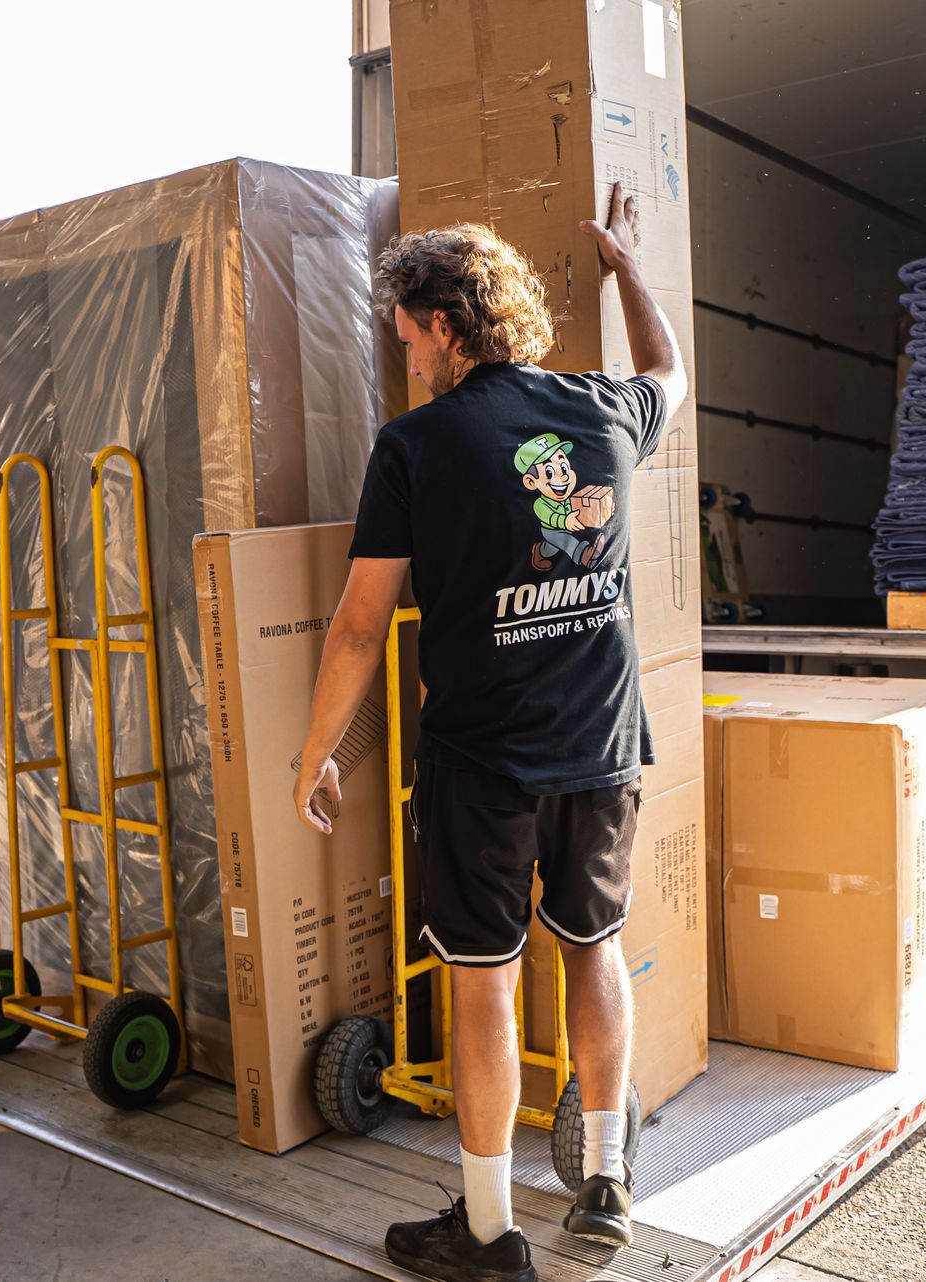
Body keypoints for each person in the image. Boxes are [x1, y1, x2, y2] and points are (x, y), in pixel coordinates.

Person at [293, 183, 687, 1282]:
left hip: (484, 763)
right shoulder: (602, 410)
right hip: (603, 747)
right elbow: (674, 375)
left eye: (410, 332)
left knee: (484, 979)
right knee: (594, 948)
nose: (407, 354)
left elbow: (360, 626)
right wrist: (624, 270)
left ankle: (486, 1231)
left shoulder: (414, 447)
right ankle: (603, 1180)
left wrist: (316, 750)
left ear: (447, 323)